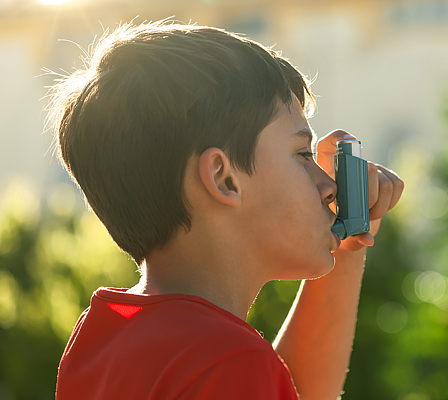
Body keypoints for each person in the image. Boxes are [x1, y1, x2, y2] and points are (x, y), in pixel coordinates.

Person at [48, 20, 404, 400]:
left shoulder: (102, 338)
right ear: (224, 178)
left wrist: (350, 241)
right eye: (302, 155)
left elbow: (291, 391)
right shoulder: (229, 362)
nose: (329, 185)